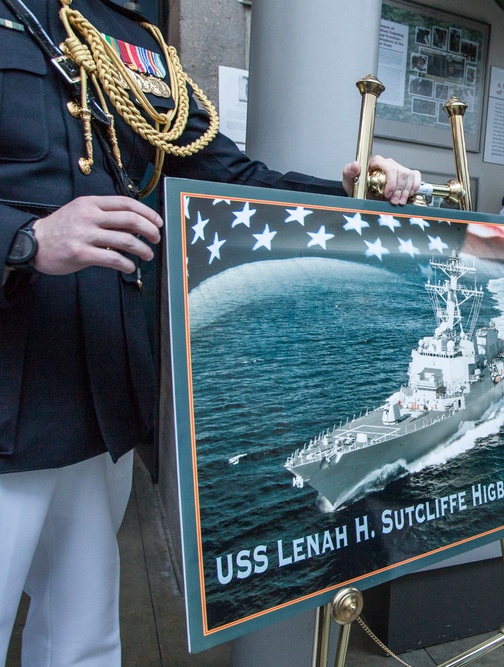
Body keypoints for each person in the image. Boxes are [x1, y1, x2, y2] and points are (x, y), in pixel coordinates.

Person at [0, 1, 421, 664]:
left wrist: (350, 195)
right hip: (5, 391)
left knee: (82, 639)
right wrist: (25, 238)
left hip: (95, 404)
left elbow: (230, 177)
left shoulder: (130, 35)